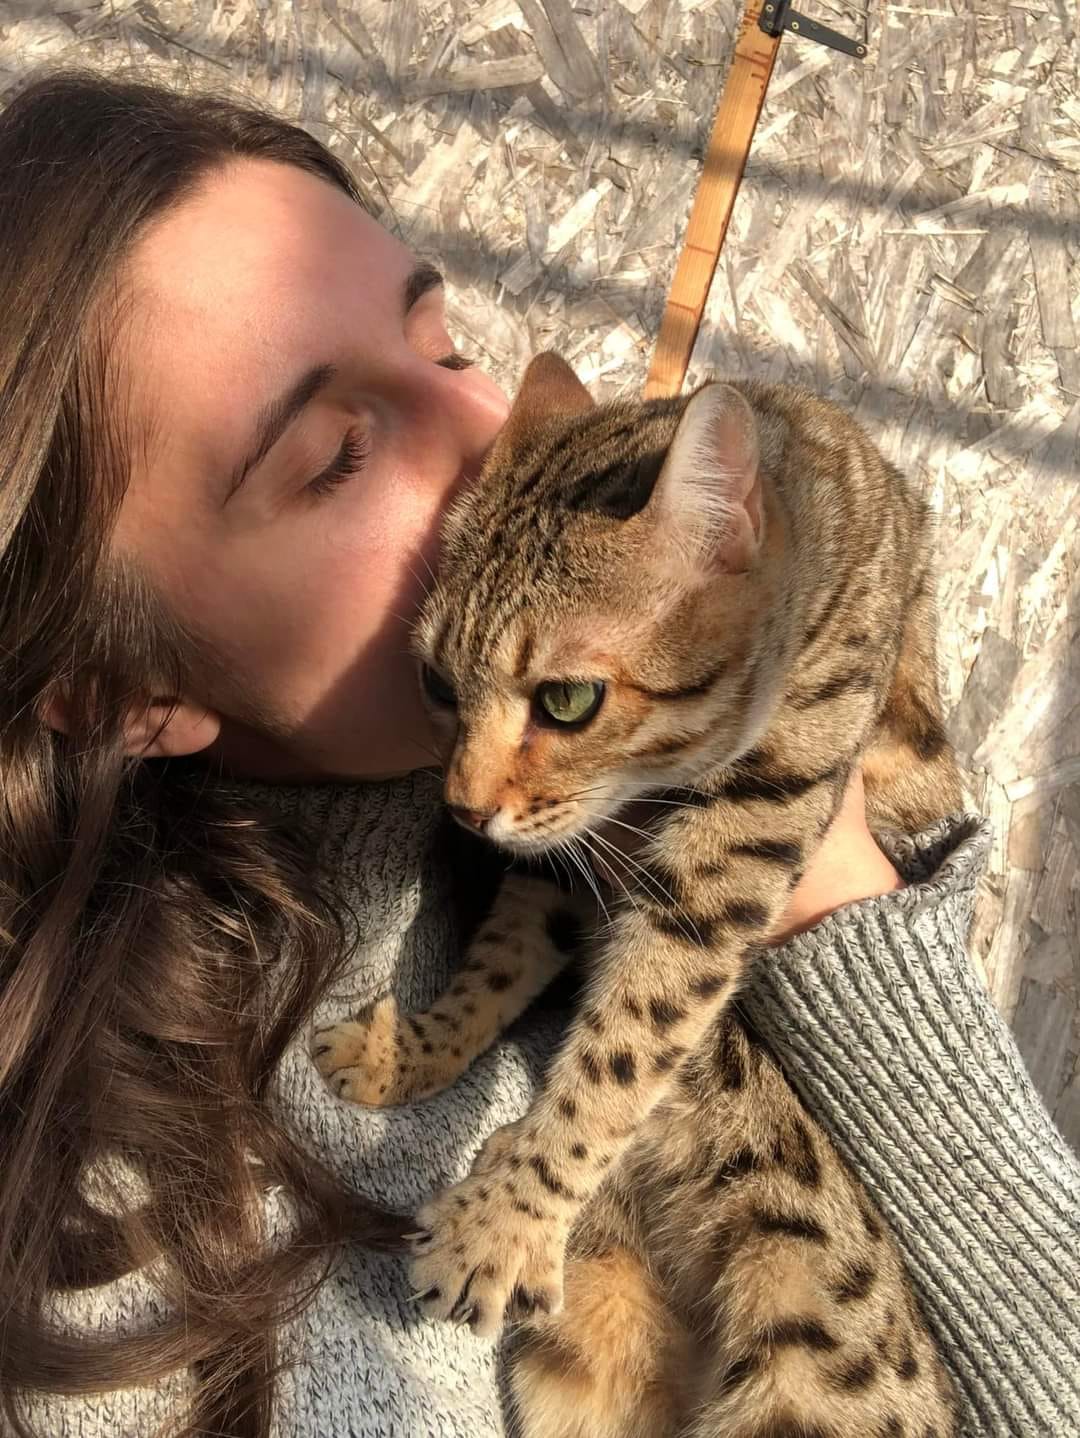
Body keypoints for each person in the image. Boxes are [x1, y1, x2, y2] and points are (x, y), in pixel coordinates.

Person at [0, 66, 1076, 1438]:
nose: (486, 444)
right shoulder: (136, 1280)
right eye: (335, 456)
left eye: (446, 345)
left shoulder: (586, 788)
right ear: (124, 693)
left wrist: (818, 869)